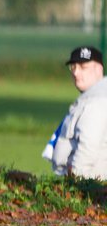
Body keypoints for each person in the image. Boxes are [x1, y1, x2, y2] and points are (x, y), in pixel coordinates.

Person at [46, 45, 107, 180]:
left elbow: (87, 150)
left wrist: (76, 187)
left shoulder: (96, 103)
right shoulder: (89, 99)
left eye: (83, 67)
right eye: (73, 67)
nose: (76, 72)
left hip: (90, 190)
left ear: (99, 69)